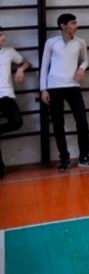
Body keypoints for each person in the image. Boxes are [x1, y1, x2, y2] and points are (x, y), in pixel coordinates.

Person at [39, 13, 89, 172]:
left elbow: (85, 60)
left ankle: (84, 157)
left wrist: (81, 68)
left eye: (75, 23)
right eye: (72, 23)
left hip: (73, 86)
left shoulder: (80, 42)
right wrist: (43, 89)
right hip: (54, 87)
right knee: (58, 124)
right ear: (63, 25)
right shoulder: (51, 43)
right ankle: (64, 159)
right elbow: (44, 66)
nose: (76, 26)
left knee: (82, 121)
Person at [1, 26, 30, 179]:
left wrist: (20, 69)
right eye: (0, 35)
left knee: (17, 122)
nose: (3, 37)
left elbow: (26, 62)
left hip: (6, 95)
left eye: (3, 34)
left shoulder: (9, 51)